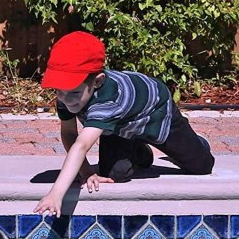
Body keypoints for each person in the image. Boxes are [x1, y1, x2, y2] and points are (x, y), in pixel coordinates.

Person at [34, 31, 215, 218]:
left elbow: (81, 145)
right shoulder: (67, 93)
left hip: (155, 113)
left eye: (73, 93)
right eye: (59, 91)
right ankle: (139, 150)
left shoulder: (108, 99)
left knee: (201, 166)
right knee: (114, 174)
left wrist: (56, 194)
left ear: (97, 82)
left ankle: (198, 143)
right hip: (120, 124)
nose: (65, 99)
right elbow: (70, 135)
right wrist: (86, 172)